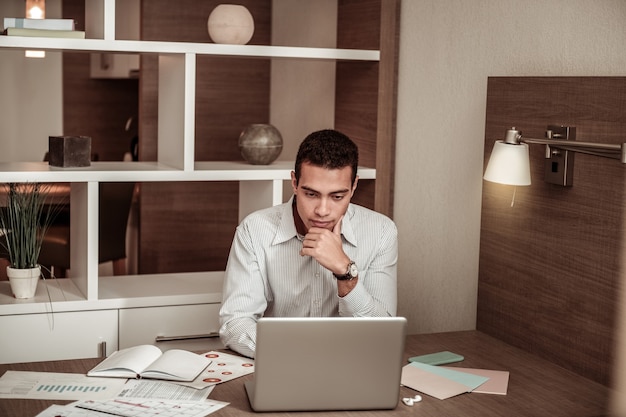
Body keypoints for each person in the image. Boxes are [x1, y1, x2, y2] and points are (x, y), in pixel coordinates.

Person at [218, 129, 398, 358]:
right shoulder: (254, 230)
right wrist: (298, 354)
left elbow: (383, 336)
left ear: (354, 187)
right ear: (294, 182)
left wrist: (346, 273)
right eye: (311, 194)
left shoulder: (381, 232)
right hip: (281, 363)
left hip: (351, 364)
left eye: (337, 197)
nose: (322, 211)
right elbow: (235, 322)